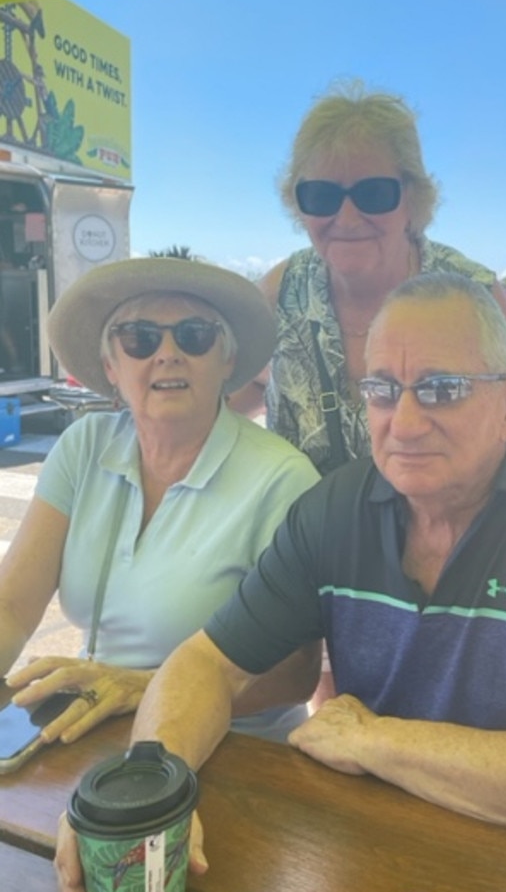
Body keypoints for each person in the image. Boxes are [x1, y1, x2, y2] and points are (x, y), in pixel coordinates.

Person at [55, 271, 506, 891]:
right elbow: (207, 663)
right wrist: (153, 790)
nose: (406, 421)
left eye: (442, 388)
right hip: (364, 850)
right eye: (382, 389)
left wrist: (378, 742)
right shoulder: (335, 509)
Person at [0, 256, 320, 747]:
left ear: (227, 360)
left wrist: (142, 690)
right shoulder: (84, 446)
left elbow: (296, 675)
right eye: (140, 338)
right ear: (111, 364)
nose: (167, 353)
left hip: (237, 750)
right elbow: (14, 606)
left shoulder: (282, 478)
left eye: (194, 335)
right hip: (98, 729)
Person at [230, 79, 506, 479]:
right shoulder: (281, 293)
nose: (347, 218)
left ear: (412, 197)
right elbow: (246, 390)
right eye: (322, 195)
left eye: (373, 193)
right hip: (310, 538)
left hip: (443, 535)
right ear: (297, 202)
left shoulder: (473, 294)